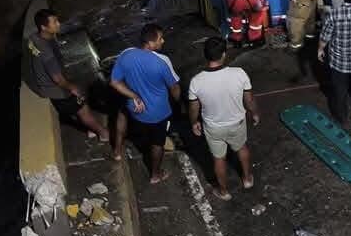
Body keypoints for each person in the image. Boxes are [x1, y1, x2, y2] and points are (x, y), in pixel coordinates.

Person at [25, 8, 114, 144]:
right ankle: (103, 133)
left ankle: (89, 130)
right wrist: (73, 88)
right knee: (83, 108)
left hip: (42, 83)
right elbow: (57, 79)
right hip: (53, 88)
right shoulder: (48, 54)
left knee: (78, 104)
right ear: (43, 27)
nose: (59, 24)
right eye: (54, 22)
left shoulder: (33, 38)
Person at [188, 37, 260, 201]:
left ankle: (223, 191)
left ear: (206, 56)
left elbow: (194, 107)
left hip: (213, 127)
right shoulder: (239, 73)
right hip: (237, 123)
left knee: (218, 159)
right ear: (223, 54)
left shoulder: (196, 82)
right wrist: (254, 113)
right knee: (241, 148)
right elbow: (249, 99)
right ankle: (247, 179)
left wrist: (194, 122)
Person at [109, 24, 180, 180]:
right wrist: (178, 104)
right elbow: (174, 87)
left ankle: (117, 152)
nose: (163, 40)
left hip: (134, 108)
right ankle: (155, 174)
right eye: (160, 38)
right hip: (157, 114)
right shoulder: (162, 61)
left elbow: (114, 82)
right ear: (151, 43)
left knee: (122, 114)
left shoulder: (126, 54)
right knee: (157, 142)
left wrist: (133, 96)